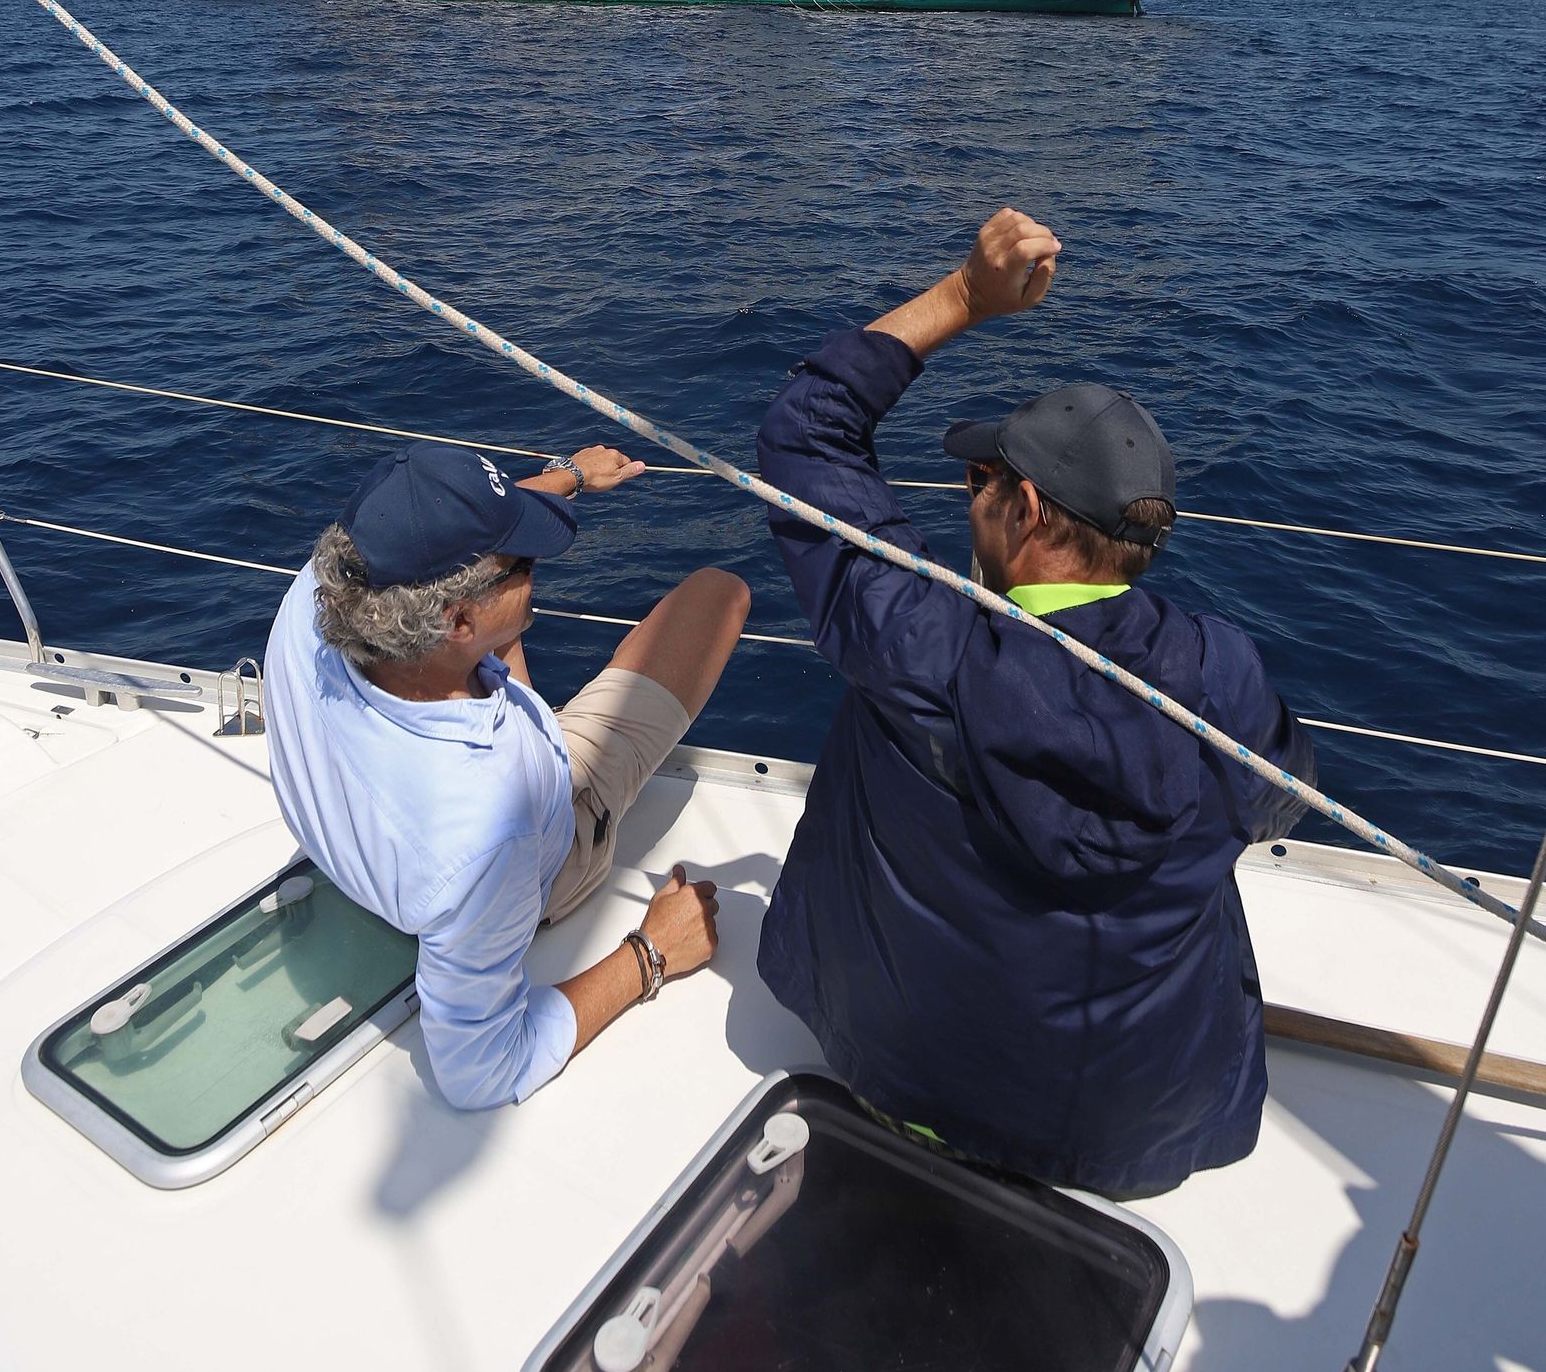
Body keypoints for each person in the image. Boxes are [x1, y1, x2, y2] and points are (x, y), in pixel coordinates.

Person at [755, 207, 1315, 1198]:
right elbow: (1284, 800)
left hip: (898, 1075)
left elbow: (807, 427)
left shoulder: (912, 640)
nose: (965, 490)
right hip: (1128, 1131)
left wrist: (965, 296)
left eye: (979, 476)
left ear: (1026, 512)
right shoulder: (1222, 676)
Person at [263, 436, 750, 1110]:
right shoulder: (487, 831)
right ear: (457, 618)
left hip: (374, 847)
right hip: (524, 860)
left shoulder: (325, 586)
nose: (539, 567)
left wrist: (565, 477)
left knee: (502, 612)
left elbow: (429, 537)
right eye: (524, 562)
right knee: (719, 595)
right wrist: (652, 951)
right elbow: (481, 1071)